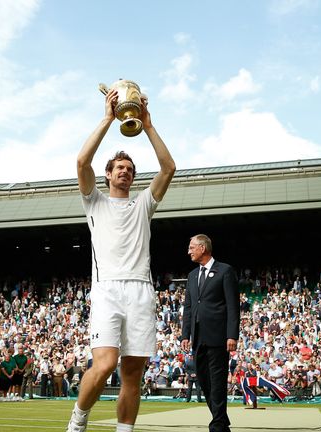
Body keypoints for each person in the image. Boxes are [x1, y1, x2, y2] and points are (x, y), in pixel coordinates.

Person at [67, 85, 175, 432]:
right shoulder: (94, 202)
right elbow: (82, 161)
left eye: (130, 168)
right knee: (103, 365)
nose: (125, 172)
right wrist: (107, 119)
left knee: (132, 373)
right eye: (119, 168)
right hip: (107, 290)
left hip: (141, 291)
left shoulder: (143, 203)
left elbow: (169, 167)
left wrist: (147, 123)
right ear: (108, 175)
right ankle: (78, 418)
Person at [181, 234, 241, 432]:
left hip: (218, 337)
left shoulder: (225, 271)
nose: (189, 251)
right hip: (198, 338)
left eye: (191, 247)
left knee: (217, 381)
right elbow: (188, 308)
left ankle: (217, 425)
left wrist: (232, 335)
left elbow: (233, 306)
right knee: (205, 382)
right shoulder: (191, 276)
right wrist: (185, 335)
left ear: (203, 248)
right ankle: (221, 421)